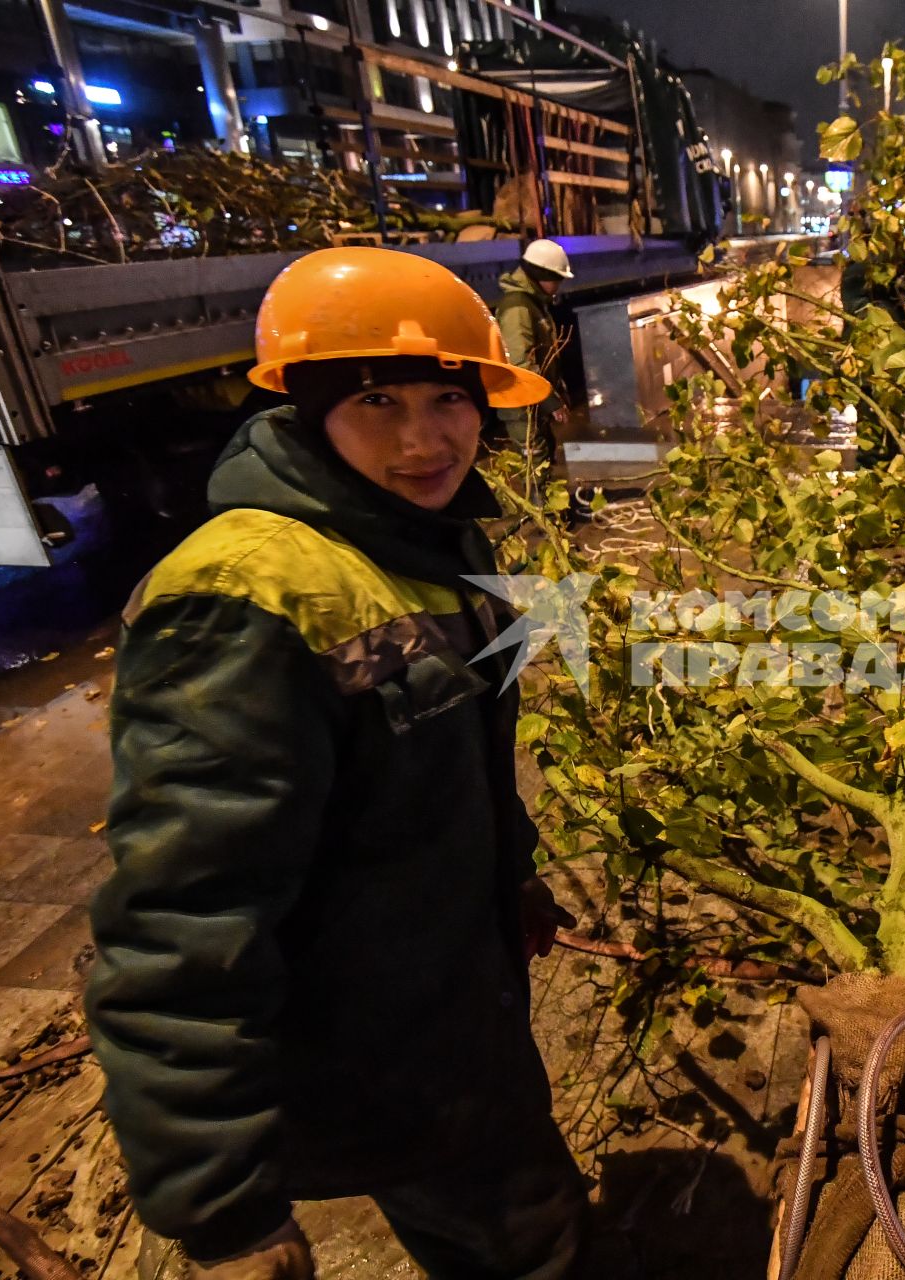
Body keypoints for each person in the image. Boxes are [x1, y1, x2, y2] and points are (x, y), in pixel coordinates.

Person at [85, 247, 586, 1280]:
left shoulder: (412, 542)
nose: (425, 437)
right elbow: (183, 917)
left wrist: (509, 878)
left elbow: (446, 768)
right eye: (377, 400)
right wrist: (222, 1207)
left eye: (450, 397)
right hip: (378, 1059)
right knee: (530, 1244)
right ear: (309, 412)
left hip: (441, 1017)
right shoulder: (245, 596)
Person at [494, 238, 575, 463]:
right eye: (556, 279)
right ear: (541, 275)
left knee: (545, 457)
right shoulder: (517, 308)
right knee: (536, 467)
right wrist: (551, 401)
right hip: (523, 408)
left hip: (534, 403)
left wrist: (557, 391)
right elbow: (521, 364)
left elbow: (544, 354)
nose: (558, 285)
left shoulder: (532, 303)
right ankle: (539, 500)